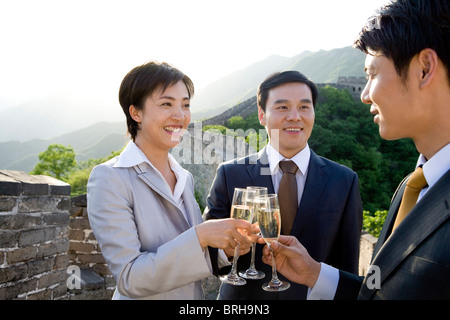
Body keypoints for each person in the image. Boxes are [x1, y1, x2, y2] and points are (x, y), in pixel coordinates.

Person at [261, 0, 450, 300]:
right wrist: (314, 273)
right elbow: (379, 292)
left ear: (424, 69)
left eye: (372, 74)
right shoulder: (412, 187)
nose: (363, 95)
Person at [87, 61, 256, 300]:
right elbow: (129, 278)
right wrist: (201, 235)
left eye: (185, 105)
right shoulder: (110, 178)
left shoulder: (183, 177)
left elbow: (190, 254)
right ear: (135, 112)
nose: (180, 116)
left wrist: (226, 252)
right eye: (166, 104)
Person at [203, 70, 363, 299]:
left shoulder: (344, 181)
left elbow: (347, 269)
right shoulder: (231, 175)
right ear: (261, 115)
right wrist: (227, 251)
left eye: (304, 107)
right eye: (282, 107)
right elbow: (207, 251)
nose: (295, 116)